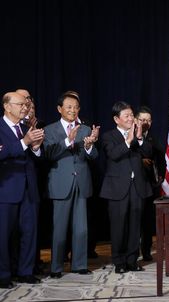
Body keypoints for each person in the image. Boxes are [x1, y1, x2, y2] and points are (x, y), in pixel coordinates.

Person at [43, 91, 99, 278]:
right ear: (60, 109)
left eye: (76, 107)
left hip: (81, 181)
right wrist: (68, 140)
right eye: (69, 107)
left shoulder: (84, 129)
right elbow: (49, 155)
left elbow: (94, 156)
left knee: (81, 228)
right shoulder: (50, 130)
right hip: (61, 183)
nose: (73, 110)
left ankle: (79, 264)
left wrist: (90, 145)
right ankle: (56, 267)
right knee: (59, 228)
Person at [100, 101, 153, 274]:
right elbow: (113, 155)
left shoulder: (139, 134)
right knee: (118, 226)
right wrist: (128, 141)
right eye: (127, 116)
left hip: (137, 186)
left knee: (135, 226)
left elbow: (148, 152)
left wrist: (138, 137)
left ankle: (132, 260)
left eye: (132, 115)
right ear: (117, 119)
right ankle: (119, 262)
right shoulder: (109, 136)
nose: (131, 118)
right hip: (117, 188)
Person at [0, 92, 44, 288]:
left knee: (29, 232)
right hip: (6, 189)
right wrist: (24, 143)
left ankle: (26, 272)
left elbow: (35, 158)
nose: (25, 108)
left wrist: (35, 147)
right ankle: (3, 274)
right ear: (7, 107)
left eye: (26, 105)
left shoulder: (27, 127)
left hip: (29, 189)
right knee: (3, 235)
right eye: (20, 104)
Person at [136, 106, 165, 262]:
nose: (145, 122)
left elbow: (161, 159)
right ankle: (132, 253)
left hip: (150, 185)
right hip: (133, 185)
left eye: (148, 120)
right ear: (135, 120)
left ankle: (146, 251)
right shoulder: (130, 136)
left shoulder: (155, 138)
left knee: (148, 221)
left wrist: (160, 176)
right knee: (135, 221)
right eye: (142, 119)